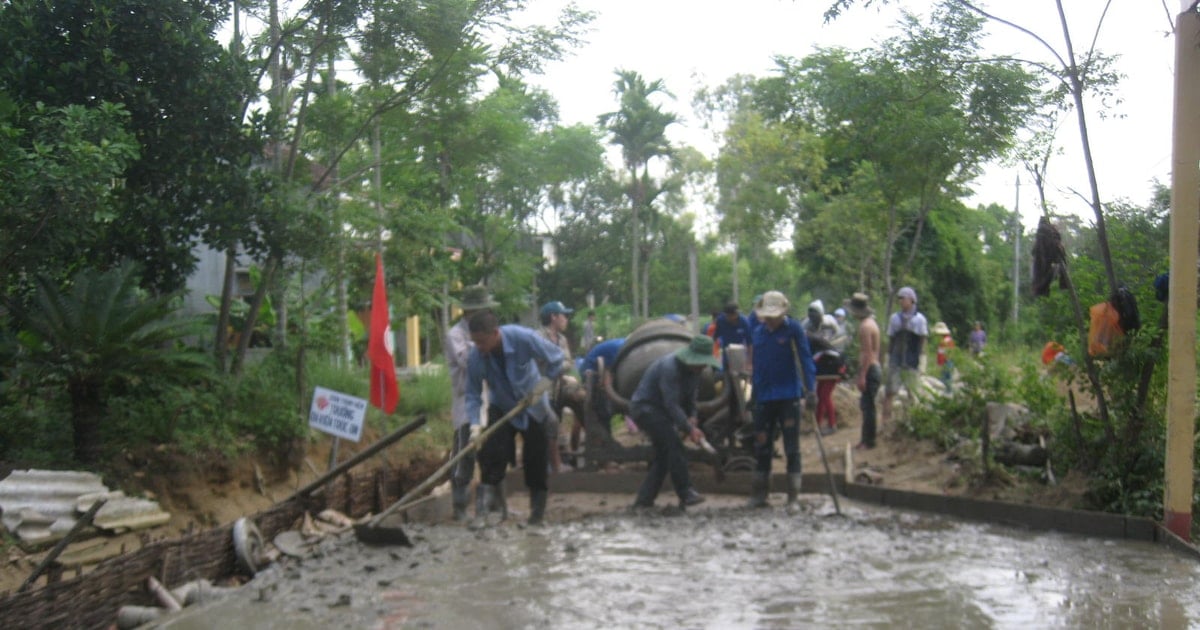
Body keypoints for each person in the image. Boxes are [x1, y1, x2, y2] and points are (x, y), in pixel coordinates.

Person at [466, 311, 566, 526]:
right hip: (502, 406)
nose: (479, 347)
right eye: (475, 342)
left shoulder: (523, 338)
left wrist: (544, 385)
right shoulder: (476, 356)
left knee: (535, 460)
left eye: (482, 342)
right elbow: (473, 394)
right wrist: (475, 425)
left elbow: (557, 358)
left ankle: (536, 515)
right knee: (491, 456)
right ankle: (484, 513)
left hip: (533, 405)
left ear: (495, 333)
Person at [629, 335, 718, 511]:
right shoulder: (670, 368)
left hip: (662, 412)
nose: (702, 367)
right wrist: (689, 428)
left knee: (664, 456)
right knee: (675, 446)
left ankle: (644, 500)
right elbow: (671, 404)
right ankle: (686, 492)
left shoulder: (694, 373)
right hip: (646, 409)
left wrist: (692, 418)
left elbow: (691, 400)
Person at [746, 291, 817, 510]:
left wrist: (811, 390)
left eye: (773, 315)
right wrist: (754, 394)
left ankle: (793, 497)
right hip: (765, 397)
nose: (770, 319)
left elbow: (805, 359)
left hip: (788, 396)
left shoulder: (793, 329)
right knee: (762, 445)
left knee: (791, 447)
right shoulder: (758, 332)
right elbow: (757, 366)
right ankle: (760, 494)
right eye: (767, 315)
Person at [445, 285, 498, 522]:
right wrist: (483, 343)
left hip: (488, 400)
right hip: (466, 403)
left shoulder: (490, 333)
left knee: (491, 455)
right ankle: (460, 507)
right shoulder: (455, 335)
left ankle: (490, 505)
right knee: (463, 456)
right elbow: (468, 361)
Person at [538, 300, 579, 473]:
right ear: (553, 317)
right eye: (564, 315)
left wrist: (557, 367)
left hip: (556, 387)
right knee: (544, 424)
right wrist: (558, 366)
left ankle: (562, 455)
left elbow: (568, 362)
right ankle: (547, 464)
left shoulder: (562, 339)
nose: (566, 319)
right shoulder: (538, 337)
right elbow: (540, 363)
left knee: (556, 419)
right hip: (540, 388)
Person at [882, 286, 929, 425]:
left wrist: (922, 359)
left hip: (912, 360)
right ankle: (885, 421)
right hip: (895, 359)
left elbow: (923, 340)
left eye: (903, 298)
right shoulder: (894, 319)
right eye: (899, 299)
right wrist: (887, 357)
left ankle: (911, 422)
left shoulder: (920, 319)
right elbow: (891, 338)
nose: (901, 301)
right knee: (890, 391)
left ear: (911, 300)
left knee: (912, 393)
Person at [845, 292, 881, 450]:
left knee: (868, 408)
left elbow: (867, 353)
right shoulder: (871, 323)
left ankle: (868, 441)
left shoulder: (865, 327)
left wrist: (862, 376)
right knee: (868, 407)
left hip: (871, 369)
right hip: (874, 367)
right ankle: (866, 439)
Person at [804, 299, 841, 435]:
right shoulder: (807, 331)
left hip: (833, 364)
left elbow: (813, 358)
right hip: (825, 363)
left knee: (825, 396)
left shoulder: (827, 323)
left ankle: (832, 425)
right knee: (820, 395)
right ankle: (817, 425)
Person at [711, 300, 752, 369]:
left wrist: (749, 362)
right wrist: (714, 354)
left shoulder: (744, 322)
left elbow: (750, 343)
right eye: (729, 316)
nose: (731, 318)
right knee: (727, 374)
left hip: (740, 353)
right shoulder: (721, 320)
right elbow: (715, 337)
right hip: (727, 353)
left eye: (733, 315)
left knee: (740, 375)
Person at [932, 321, 955, 392]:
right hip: (948, 361)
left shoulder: (945, 341)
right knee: (947, 378)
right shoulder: (948, 339)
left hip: (946, 361)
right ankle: (948, 392)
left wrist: (940, 363)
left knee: (945, 378)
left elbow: (943, 353)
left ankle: (947, 393)